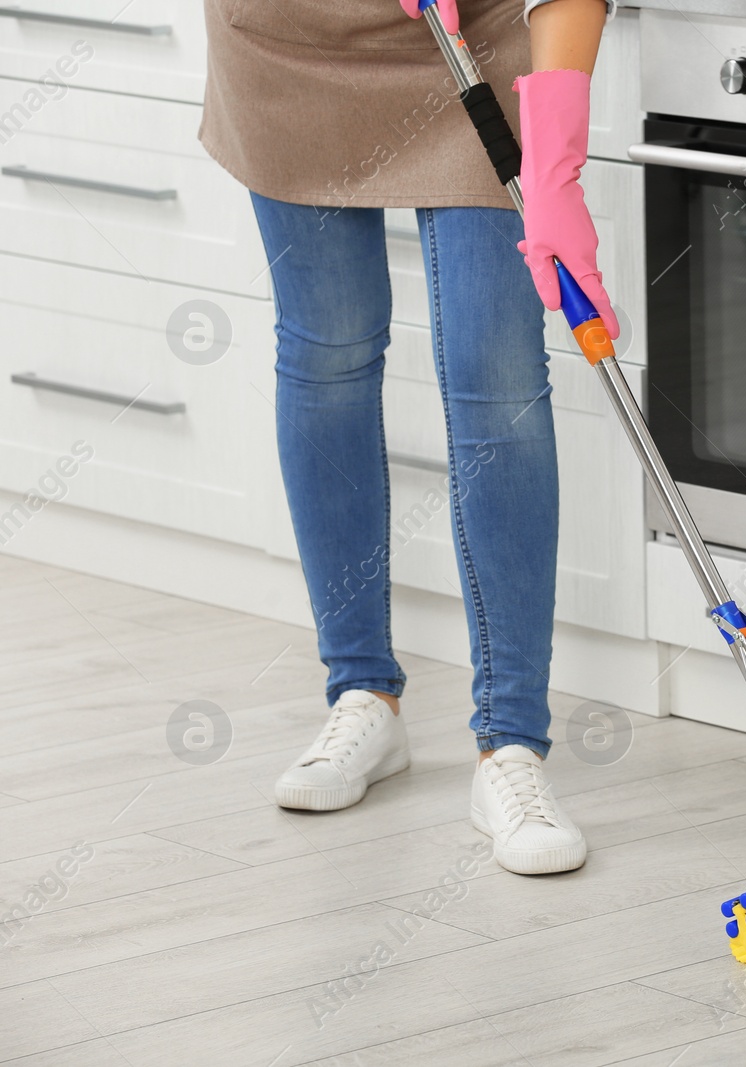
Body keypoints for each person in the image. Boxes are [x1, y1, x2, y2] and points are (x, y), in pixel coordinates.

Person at [199, 0, 619, 875]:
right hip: (287, 46)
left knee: (495, 375)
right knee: (327, 354)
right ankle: (362, 696)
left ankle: (512, 745)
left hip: (475, 36)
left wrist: (557, 161)